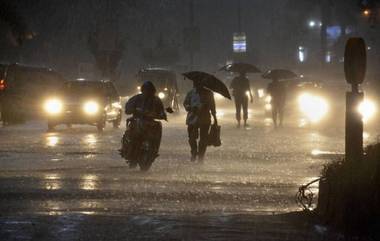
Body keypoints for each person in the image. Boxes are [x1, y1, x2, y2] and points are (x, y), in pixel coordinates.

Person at [124, 81, 167, 168]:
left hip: (150, 124)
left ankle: (154, 151)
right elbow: (127, 109)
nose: (148, 92)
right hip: (137, 121)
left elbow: (162, 113)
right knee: (132, 136)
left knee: (157, 131)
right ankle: (130, 152)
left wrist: (158, 115)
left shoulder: (156, 100)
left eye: (150, 90)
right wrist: (134, 110)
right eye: (146, 90)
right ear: (143, 90)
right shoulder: (136, 99)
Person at [183, 81, 217, 162]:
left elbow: (213, 106)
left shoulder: (209, 93)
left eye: (199, 84)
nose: (197, 85)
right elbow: (185, 103)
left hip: (205, 119)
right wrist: (190, 108)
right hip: (192, 118)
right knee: (191, 137)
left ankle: (201, 155)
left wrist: (215, 118)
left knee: (203, 138)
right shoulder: (191, 93)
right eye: (196, 84)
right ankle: (194, 151)